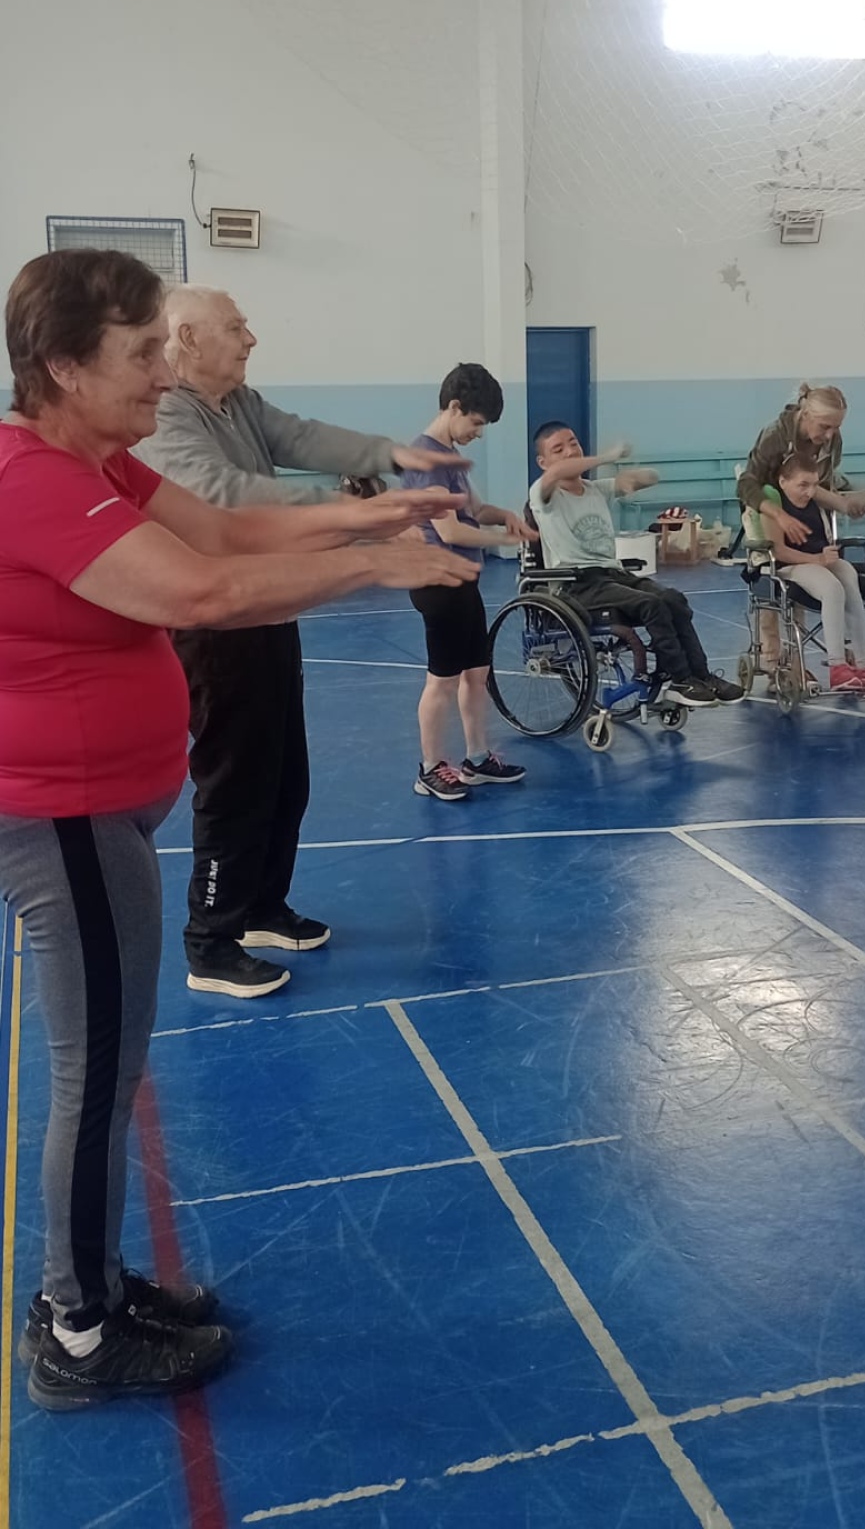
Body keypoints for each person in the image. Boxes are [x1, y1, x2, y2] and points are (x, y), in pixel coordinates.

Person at [0, 249, 477, 1411]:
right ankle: (76, 1326)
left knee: (103, 1066)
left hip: (101, 802)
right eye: (140, 353)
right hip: (59, 809)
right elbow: (199, 596)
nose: (164, 374)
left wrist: (384, 505)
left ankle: (91, 1278)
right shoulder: (34, 481)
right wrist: (373, 563)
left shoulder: (98, 459)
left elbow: (217, 536)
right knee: (96, 1069)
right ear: (63, 366)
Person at [135, 284, 473, 997]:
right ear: (189, 340)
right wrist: (359, 512)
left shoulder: (241, 403)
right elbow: (225, 496)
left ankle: (261, 907)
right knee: (234, 784)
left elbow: (301, 436)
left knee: (286, 778)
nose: (250, 337)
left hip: (271, 608)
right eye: (236, 326)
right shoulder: (168, 416)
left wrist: (392, 455)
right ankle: (210, 943)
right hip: (216, 626)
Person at [529, 424, 744, 705]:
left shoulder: (595, 490)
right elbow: (557, 473)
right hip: (576, 583)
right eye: (559, 449)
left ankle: (701, 676)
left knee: (673, 599)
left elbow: (650, 477)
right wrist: (606, 457)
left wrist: (634, 476)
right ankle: (680, 681)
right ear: (543, 462)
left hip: (611, 574)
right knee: (651, 605)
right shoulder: (543, 496)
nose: (570, 451)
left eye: (573, 443)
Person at [400, 364, 536, 802]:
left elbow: (473, 509)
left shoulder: (450, 459)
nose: (478, 433)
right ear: (454, 408)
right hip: (437, 582)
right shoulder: (425, 460)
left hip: (464, 581)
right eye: (476, 423)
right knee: (442, 679)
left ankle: (476, 758)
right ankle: (430, 767)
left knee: (476, 673)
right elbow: (451, 531)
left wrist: (507, 517)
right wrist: (501, 539)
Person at [737, 383, 865, 677]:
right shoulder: (776, 435)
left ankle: (844, 660)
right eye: (825, 426)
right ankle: (774, 660)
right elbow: (748, 484)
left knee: (830, 581)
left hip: (806, 509)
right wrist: (779, 514)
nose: (830, 435)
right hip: (767, 504)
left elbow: (824, 487)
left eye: (836, 428)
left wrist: (855, 499)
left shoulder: (830, 441)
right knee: (773, 575)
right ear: (805, 414)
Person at [760, 456, 865, 693]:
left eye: (814, 485)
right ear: (783, 482)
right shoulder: (775, 507)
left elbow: (846, 504)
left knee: (848, 575)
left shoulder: (815, 500)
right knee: (831, 587)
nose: (809, 491)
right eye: (802, 485)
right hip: (789, 565)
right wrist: (817, 560)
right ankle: (837, 667)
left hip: (820, 559)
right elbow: (779, 550)